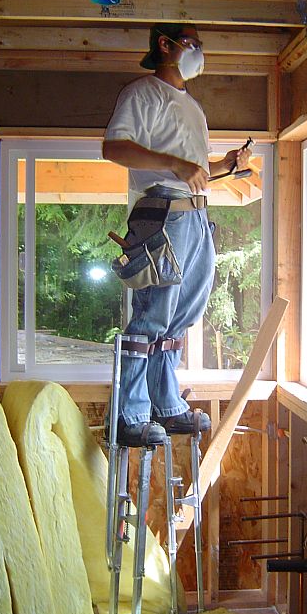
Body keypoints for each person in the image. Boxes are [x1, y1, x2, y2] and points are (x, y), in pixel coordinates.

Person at [103, 22, 251, 447]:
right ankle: (129, 415)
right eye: (191, 43)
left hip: (195, 215)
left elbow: (194, 172)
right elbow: (114, 148)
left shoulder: (194, 108)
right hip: (163, 214)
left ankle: (165, 406)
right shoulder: (142, 94)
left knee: (180, 316)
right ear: (164, 45)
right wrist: (175, 164)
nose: (198, 51)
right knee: (153, 314)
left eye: (200, 45)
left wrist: (226, 165)